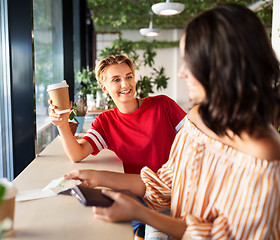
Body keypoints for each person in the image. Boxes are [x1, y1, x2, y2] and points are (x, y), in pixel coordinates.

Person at [64, 3, 280, 239]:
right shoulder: (198, 119)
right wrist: (98, 177)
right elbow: (167, 182)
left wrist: (142, 214)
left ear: (224, 65)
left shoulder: (264, 155)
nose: (181, 72)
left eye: (191, 60)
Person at [49, 55, 186, 239]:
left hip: (171, 194)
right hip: (137, 196)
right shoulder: (106, 122)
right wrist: (62, 124)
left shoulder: (163, 105)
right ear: (104, 87)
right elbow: (77, 153)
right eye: (116, 80)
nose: (125, 84)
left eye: (129, 77)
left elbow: (197, 139)